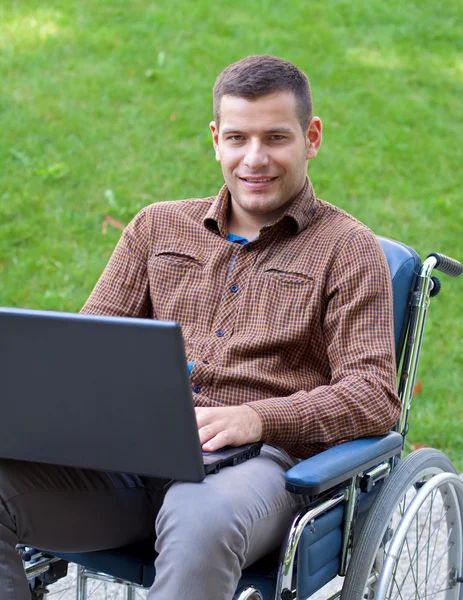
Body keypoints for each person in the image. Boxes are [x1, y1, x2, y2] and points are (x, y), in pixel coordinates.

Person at [0, 55, 400, 599]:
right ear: (216, 139)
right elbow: (86, 354)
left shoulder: (348, 250)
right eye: (237, 138)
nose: (254, 159)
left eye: (276, 138)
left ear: (312, 138)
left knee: (198, 518)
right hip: (133, 461)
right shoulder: (156, 228)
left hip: (258, 467)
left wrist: (256, 418)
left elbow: (374, 396)